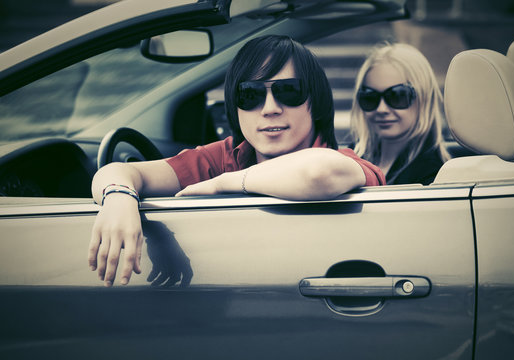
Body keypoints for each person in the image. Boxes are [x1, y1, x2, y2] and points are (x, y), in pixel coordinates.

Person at [88, 35, 385, 287]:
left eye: (288, 91)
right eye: (250, 94)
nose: (270, 108)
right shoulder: (225, 155)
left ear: (315, 102)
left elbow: (317, 174)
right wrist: (118, 197)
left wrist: (223, 184)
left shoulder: (345, 164)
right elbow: (119, 171)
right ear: (235, 105)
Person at [350, 42, 450, 185]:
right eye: (370, 97)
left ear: (424, 98)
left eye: (397, 96)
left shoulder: (435, 175)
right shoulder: (352, 157)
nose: (381, 109)